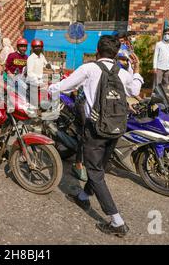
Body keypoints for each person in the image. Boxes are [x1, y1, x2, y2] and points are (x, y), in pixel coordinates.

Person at [48, 35, 143, 237]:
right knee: (99, 167)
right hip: (116, 129)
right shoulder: (122, 72)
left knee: (95, 173)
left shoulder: (89, 68)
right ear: (116, 55)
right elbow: (135, 89)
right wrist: (137, 70)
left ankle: (116, 221)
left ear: (97, 52)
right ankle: (83, 196)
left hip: (95, 130)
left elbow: (65, 86)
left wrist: (48, 88)